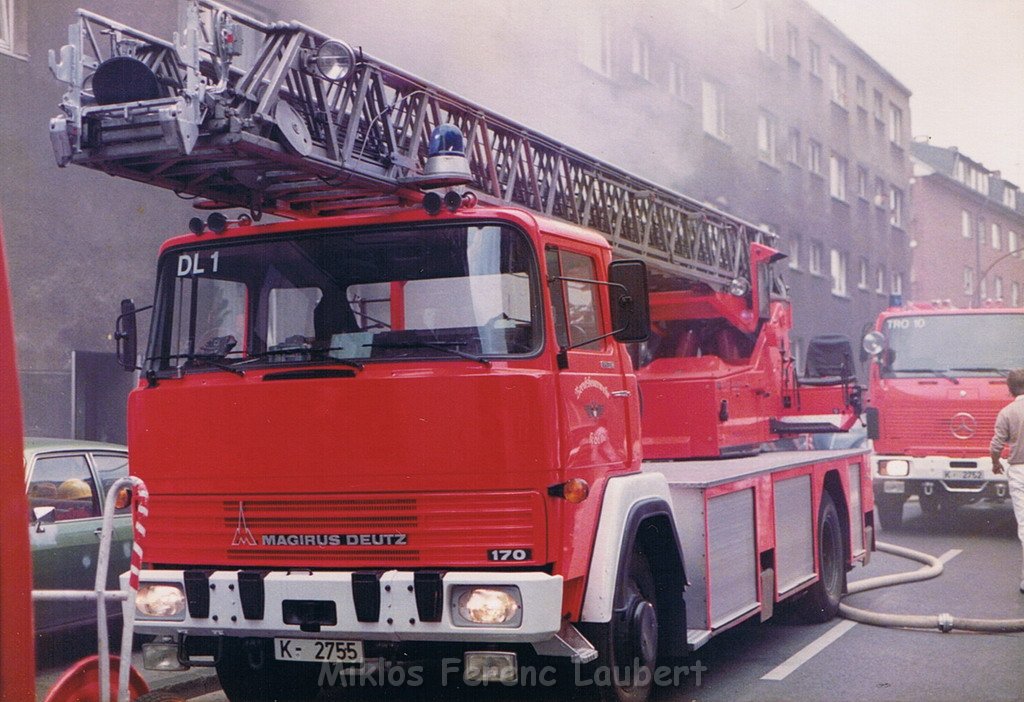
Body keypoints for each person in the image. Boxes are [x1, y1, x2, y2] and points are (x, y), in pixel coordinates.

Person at [990, 367, 1024, 594]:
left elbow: (996, 445)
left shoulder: (1007, 412)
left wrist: (995, 463)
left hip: (1019, 471)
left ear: (1010, 389)